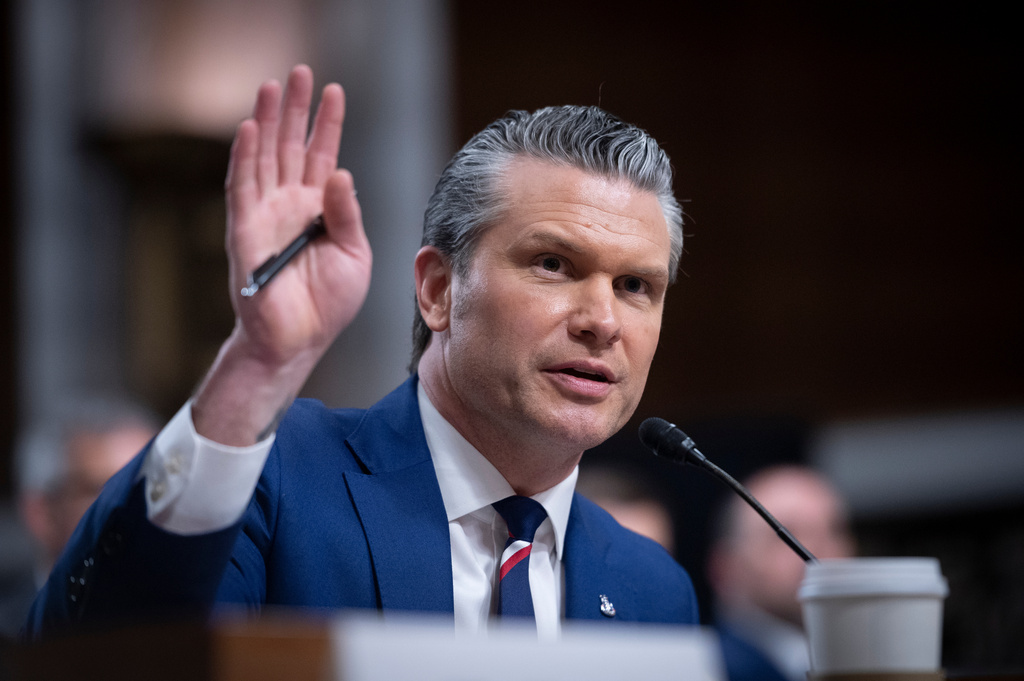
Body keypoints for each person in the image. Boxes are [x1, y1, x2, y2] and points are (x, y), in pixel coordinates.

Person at [24, 65, 697, 640]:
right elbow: (112, 649)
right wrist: (257, 367)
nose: (602, 320)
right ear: (439, 290)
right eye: (554, 263)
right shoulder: (274, 477)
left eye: (635, 285)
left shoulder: (653, 587)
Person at [1, 397, 156, 637]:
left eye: (155, 488)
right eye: (112, 493)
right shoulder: (11, 637)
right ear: (42, 513)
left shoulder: (208, 624)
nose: (145, 510)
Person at [706, 465, 855, 681]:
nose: (817, 548)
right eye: (786, 534)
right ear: (724, 568)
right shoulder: (704, 669)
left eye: (834, 530)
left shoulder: (880, 657)